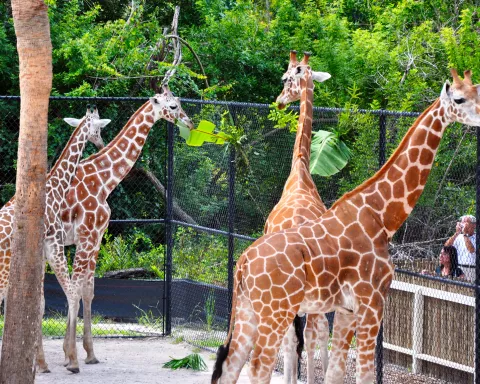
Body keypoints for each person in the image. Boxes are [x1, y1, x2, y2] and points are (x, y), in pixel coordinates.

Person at [444, 214, 476, 280]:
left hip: (471, 269)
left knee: (469, 289)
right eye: (462, 222)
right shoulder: (459, 237)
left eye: (465, 222)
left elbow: (471, 250)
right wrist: (456, 233)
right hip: (458, 268)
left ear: (474, 225)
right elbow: (446, 246)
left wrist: (465, 234)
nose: (462, 224)